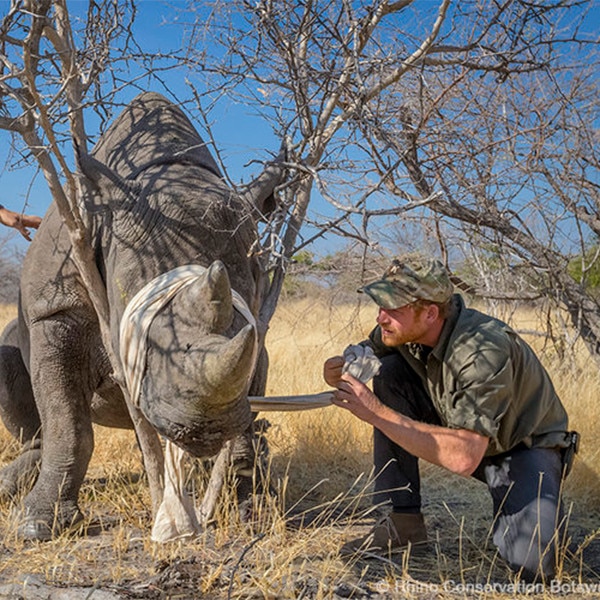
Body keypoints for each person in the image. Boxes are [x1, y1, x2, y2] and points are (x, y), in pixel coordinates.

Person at [324, 254, 577, 581]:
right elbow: (369, 353)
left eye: (392, 308)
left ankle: (541, 504)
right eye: (380, 306)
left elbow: (463, 458)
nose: (381, 317)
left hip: (522, 447)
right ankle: (403, 523)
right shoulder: (403, 329)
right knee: (387, 372)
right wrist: (339, 370)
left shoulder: (482, 351)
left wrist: (374, 411)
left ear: (430, 312)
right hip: (463, 431)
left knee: (533, 567)